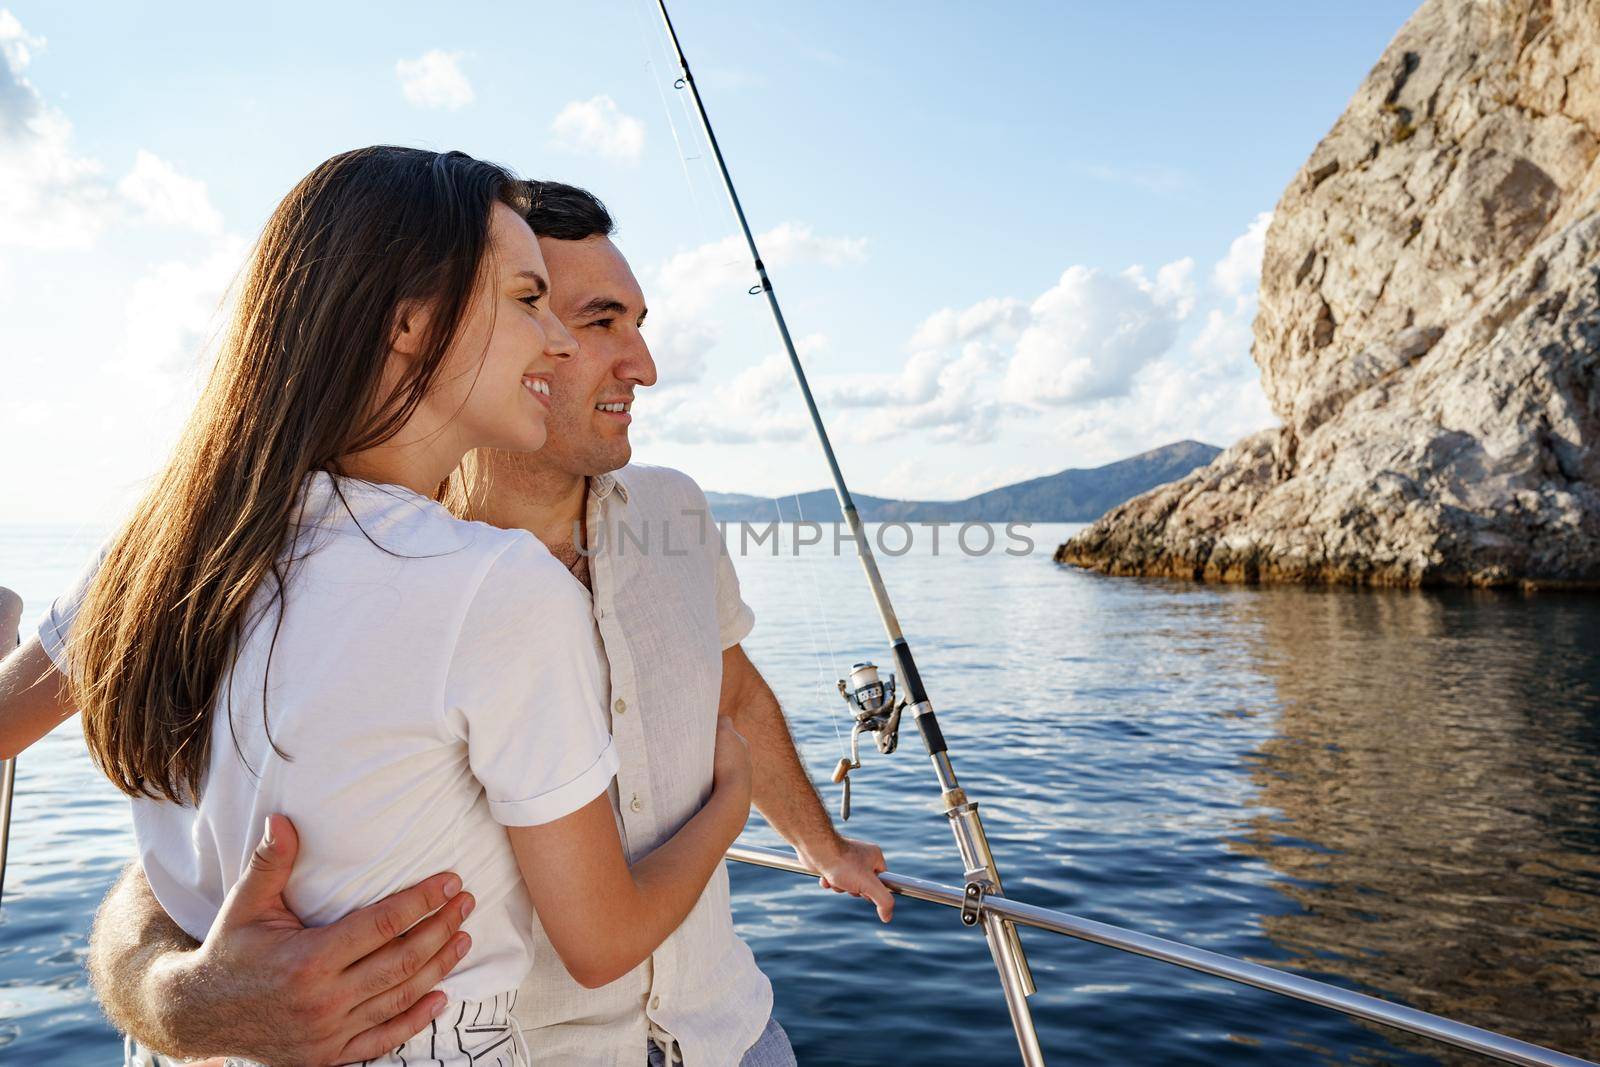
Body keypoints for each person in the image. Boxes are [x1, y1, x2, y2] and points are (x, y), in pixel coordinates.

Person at [80, 182, 895, 1067]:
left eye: (634, 320)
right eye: (587, 317)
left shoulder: (675, 511)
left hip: (728, 1029)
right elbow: (199, 843)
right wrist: (173, 996)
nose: (644, 363)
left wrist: (824, 843)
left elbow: (730, 687)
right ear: (439, 328)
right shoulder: (290, 557)